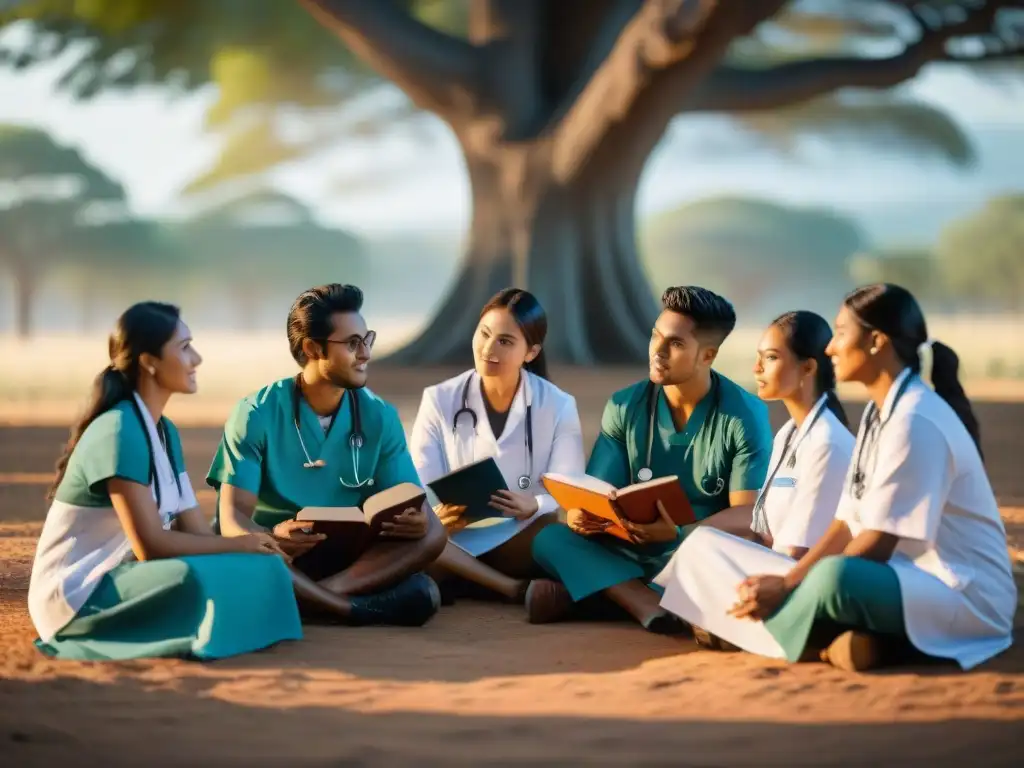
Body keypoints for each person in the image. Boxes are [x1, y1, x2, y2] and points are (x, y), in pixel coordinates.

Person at [715, 284, 1016, 672]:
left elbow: (877, 542)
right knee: (812, 570)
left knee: (835, 575)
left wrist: (788, 585)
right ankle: (853, 643)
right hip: (909, 578)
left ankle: (754, 631)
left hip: (964, 594)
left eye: (841, 333)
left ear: (876, 341)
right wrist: (790, 580)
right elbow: (845, 523)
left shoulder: (914, 419)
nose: (830, 348)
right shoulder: (881, 414)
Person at [27, 302, 302, 661]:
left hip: (133, 575)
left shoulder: (163, 431)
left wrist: (258, 544)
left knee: (264, 568)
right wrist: (241, 545)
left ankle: (218, 622)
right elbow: (151, 546)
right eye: (185, 347)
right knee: (196, 580)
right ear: (149, 361)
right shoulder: (119, 430)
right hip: (80, 594)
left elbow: (198, 535)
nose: (197, 359)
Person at [527, 286, 774, 632]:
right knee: (550, 540)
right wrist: (581, 516)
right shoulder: (625, 406)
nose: (657, 352)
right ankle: (647, 603)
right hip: (625, 547)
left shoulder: (744, 415)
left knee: (744, 547)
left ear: (707, 356)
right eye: (656, 336)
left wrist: (678, 532)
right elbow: (598, 489)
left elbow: (748, 514)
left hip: (692, 551)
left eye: (675, 344)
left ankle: (605, 596)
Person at [207, 284, 447, 627]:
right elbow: (232, 520)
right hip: (284, 556)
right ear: (311, 347)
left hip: (350, 561)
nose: (365, 354)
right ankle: (349, 609)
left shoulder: (380, 416)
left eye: (368, 340)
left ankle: (319, 597)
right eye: (352, 344)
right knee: (253, 552)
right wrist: (274, 537)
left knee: (434, 531)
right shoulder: (255, 414)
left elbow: (409, 500)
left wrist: (416, 520)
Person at [654, 310, 855, 650]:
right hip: (773, 560)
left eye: (771, 358)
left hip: (799, 576)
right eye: (759, 358)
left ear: (808, 368)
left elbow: (797, 552)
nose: (757, 369)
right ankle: (720, 620)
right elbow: (762, 529)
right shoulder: (790, 433)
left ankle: (760, 629)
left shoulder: (828, 442)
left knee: (702, 549)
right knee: (701, 545)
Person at [409, 288, 585, 602]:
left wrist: (536, 504)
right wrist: (437, 514)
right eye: (485, 334)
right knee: (417, 540)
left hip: (521, 532)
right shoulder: (439, 399)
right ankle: (512, 589)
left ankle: (473, 582)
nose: (489, 349)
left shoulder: (558, 405)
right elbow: (421, 479)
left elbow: (568, 481)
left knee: (555, 539)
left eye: (505, 341)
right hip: (454, 536)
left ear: (531, 352)